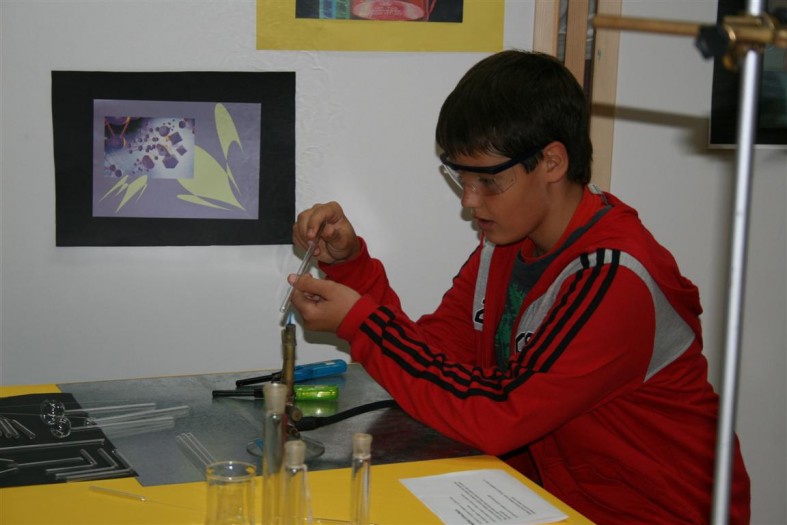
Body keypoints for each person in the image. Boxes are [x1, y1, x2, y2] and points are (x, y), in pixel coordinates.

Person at [287, 50, 751, 524]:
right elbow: (435, 362)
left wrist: (359, 321)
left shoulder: (613, 276)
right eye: (460, 176)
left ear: (551, 162)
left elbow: (497, 416)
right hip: (558, 501)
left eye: (488, 181)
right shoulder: (505, 246)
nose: (469, 201)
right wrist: (352, 268)